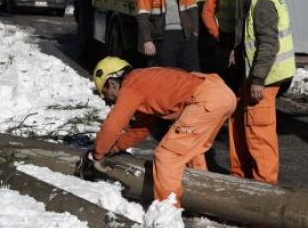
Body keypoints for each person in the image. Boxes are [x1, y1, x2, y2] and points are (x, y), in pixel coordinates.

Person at [76, 57, 236, 204]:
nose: (107, 100)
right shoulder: (142, 82)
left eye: (105, 94)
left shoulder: (130, 86)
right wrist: (114, 148)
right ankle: (202, 200)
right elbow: (141, 129)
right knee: (192, 153)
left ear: (111, 83)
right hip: (219, 93)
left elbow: (113, 125)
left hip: (206, 99)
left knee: (166, 156)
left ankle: (167, 214)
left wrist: (97, 154)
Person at [226, 0, 293, 183]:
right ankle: (239, 173)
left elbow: (268, 44)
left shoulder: (263, 0)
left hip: (265, 78)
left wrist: (257, 80)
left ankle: (264, 186)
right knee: (236, 115)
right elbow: (253, 37)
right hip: (257, 74)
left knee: (258, 130)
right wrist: (238, 50)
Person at [199, 0, 238, 87]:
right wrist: (216, 34)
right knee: (222, 69)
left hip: (239, 37)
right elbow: (207, 13)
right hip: (224, 37)